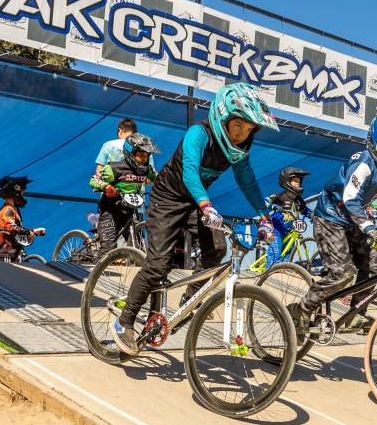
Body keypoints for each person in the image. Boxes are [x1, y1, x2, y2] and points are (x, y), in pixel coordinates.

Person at [113, 84, 278, 355]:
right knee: (158, 265)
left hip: (196, 203)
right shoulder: (198, 134)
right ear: (222, 118)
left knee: (217, 250)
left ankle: (188, 304)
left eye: (249, 130)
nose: (241, 134)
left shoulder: (237, 152)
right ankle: (125, 321)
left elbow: (247, 182)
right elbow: (190, 172)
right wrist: (206, 205)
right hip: (167, 200)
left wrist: (264, 216)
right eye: (238, 126)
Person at [289, 112, 377, 335]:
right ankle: (301, 310)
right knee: (343, 273)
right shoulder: (364, 161)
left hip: (353, 222)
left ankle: (355, 314)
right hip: (330, 218)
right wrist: (370, 229)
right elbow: (350, 199)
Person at [89, 133, 159, 255]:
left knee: (138, 248)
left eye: (146, 156)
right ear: (130, 153)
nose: (143, 159)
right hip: (111, 210)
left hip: (132, 211)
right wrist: (107, 187)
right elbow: (94, 180)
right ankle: (97, 270)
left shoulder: (147, 169)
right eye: (140, 155)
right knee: (108, 249)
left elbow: (158, 179)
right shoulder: (114, 168)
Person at [263, 167, 311, 266]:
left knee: (288, 253)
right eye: (295, 181)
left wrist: (313, 215)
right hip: (276, 230)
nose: (298, 183)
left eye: (299, 181)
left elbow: (305, 210)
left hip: (290, 231)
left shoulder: (299, 201)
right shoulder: (279, 196)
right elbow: (264, 202)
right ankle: (270, 271)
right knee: (276, 253)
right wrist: (273, 206)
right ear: (286, 181)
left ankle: (284, 269)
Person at [0, 176, 45, 262]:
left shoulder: (13, 209)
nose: (22, 195)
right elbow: (12, 228)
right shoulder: (8, 210)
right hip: (8, 254)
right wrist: (32, 231)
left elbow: (15, 230)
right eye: (22, 192)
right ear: (15, 191)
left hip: (14, 252)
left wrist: (33, 232)